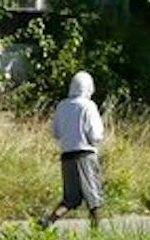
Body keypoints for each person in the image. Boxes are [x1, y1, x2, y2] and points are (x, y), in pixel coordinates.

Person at [40, 70, 105, 228]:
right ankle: (97, 236)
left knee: (70, 199)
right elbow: (96, 135)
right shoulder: (88, 106)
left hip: (66, 156)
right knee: (94, 199)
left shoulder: (62, 106)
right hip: (85, 156)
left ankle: (47, 223)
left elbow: (56, 133)